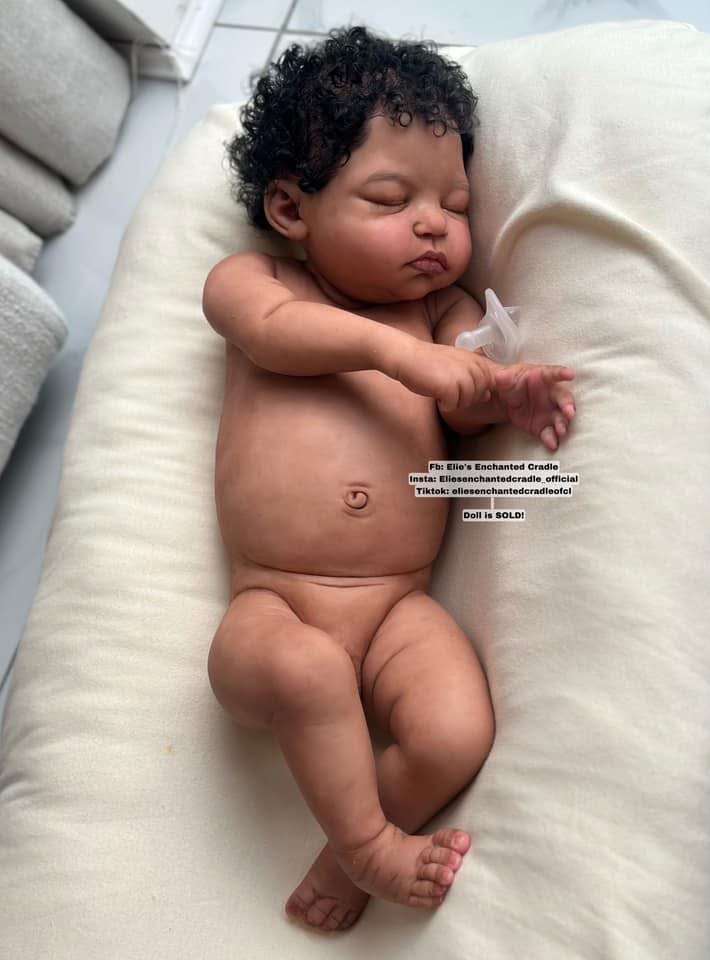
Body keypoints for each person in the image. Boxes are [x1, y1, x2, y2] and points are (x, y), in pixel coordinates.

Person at [202, 26, 576, 934]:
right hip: (274, 607)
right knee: (303, 671)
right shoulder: (258, 280)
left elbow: (461, 407)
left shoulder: (443, 311)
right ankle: (371, 847)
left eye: (454, 204)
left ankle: (343, 855)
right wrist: (400, 357)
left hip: (395, 606)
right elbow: (275, 339)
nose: (434, 224)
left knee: (456, 733)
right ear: (291, 209)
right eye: (390, 197)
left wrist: (501, 394)